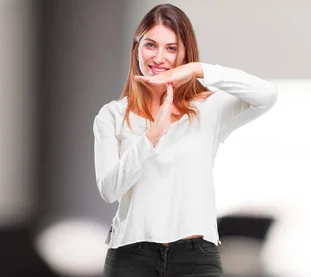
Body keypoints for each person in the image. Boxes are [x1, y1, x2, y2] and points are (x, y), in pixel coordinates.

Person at [92, 3, 278, 277]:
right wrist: (153, 134)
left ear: (184, 55)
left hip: (196, 257)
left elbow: (267, 95)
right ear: (137, 49)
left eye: (171, 48)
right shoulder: (112, 115)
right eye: (150, 45)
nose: (159, 57)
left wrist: (199, 70)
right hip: (132, 258)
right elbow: (109, 190)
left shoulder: (209, 109)